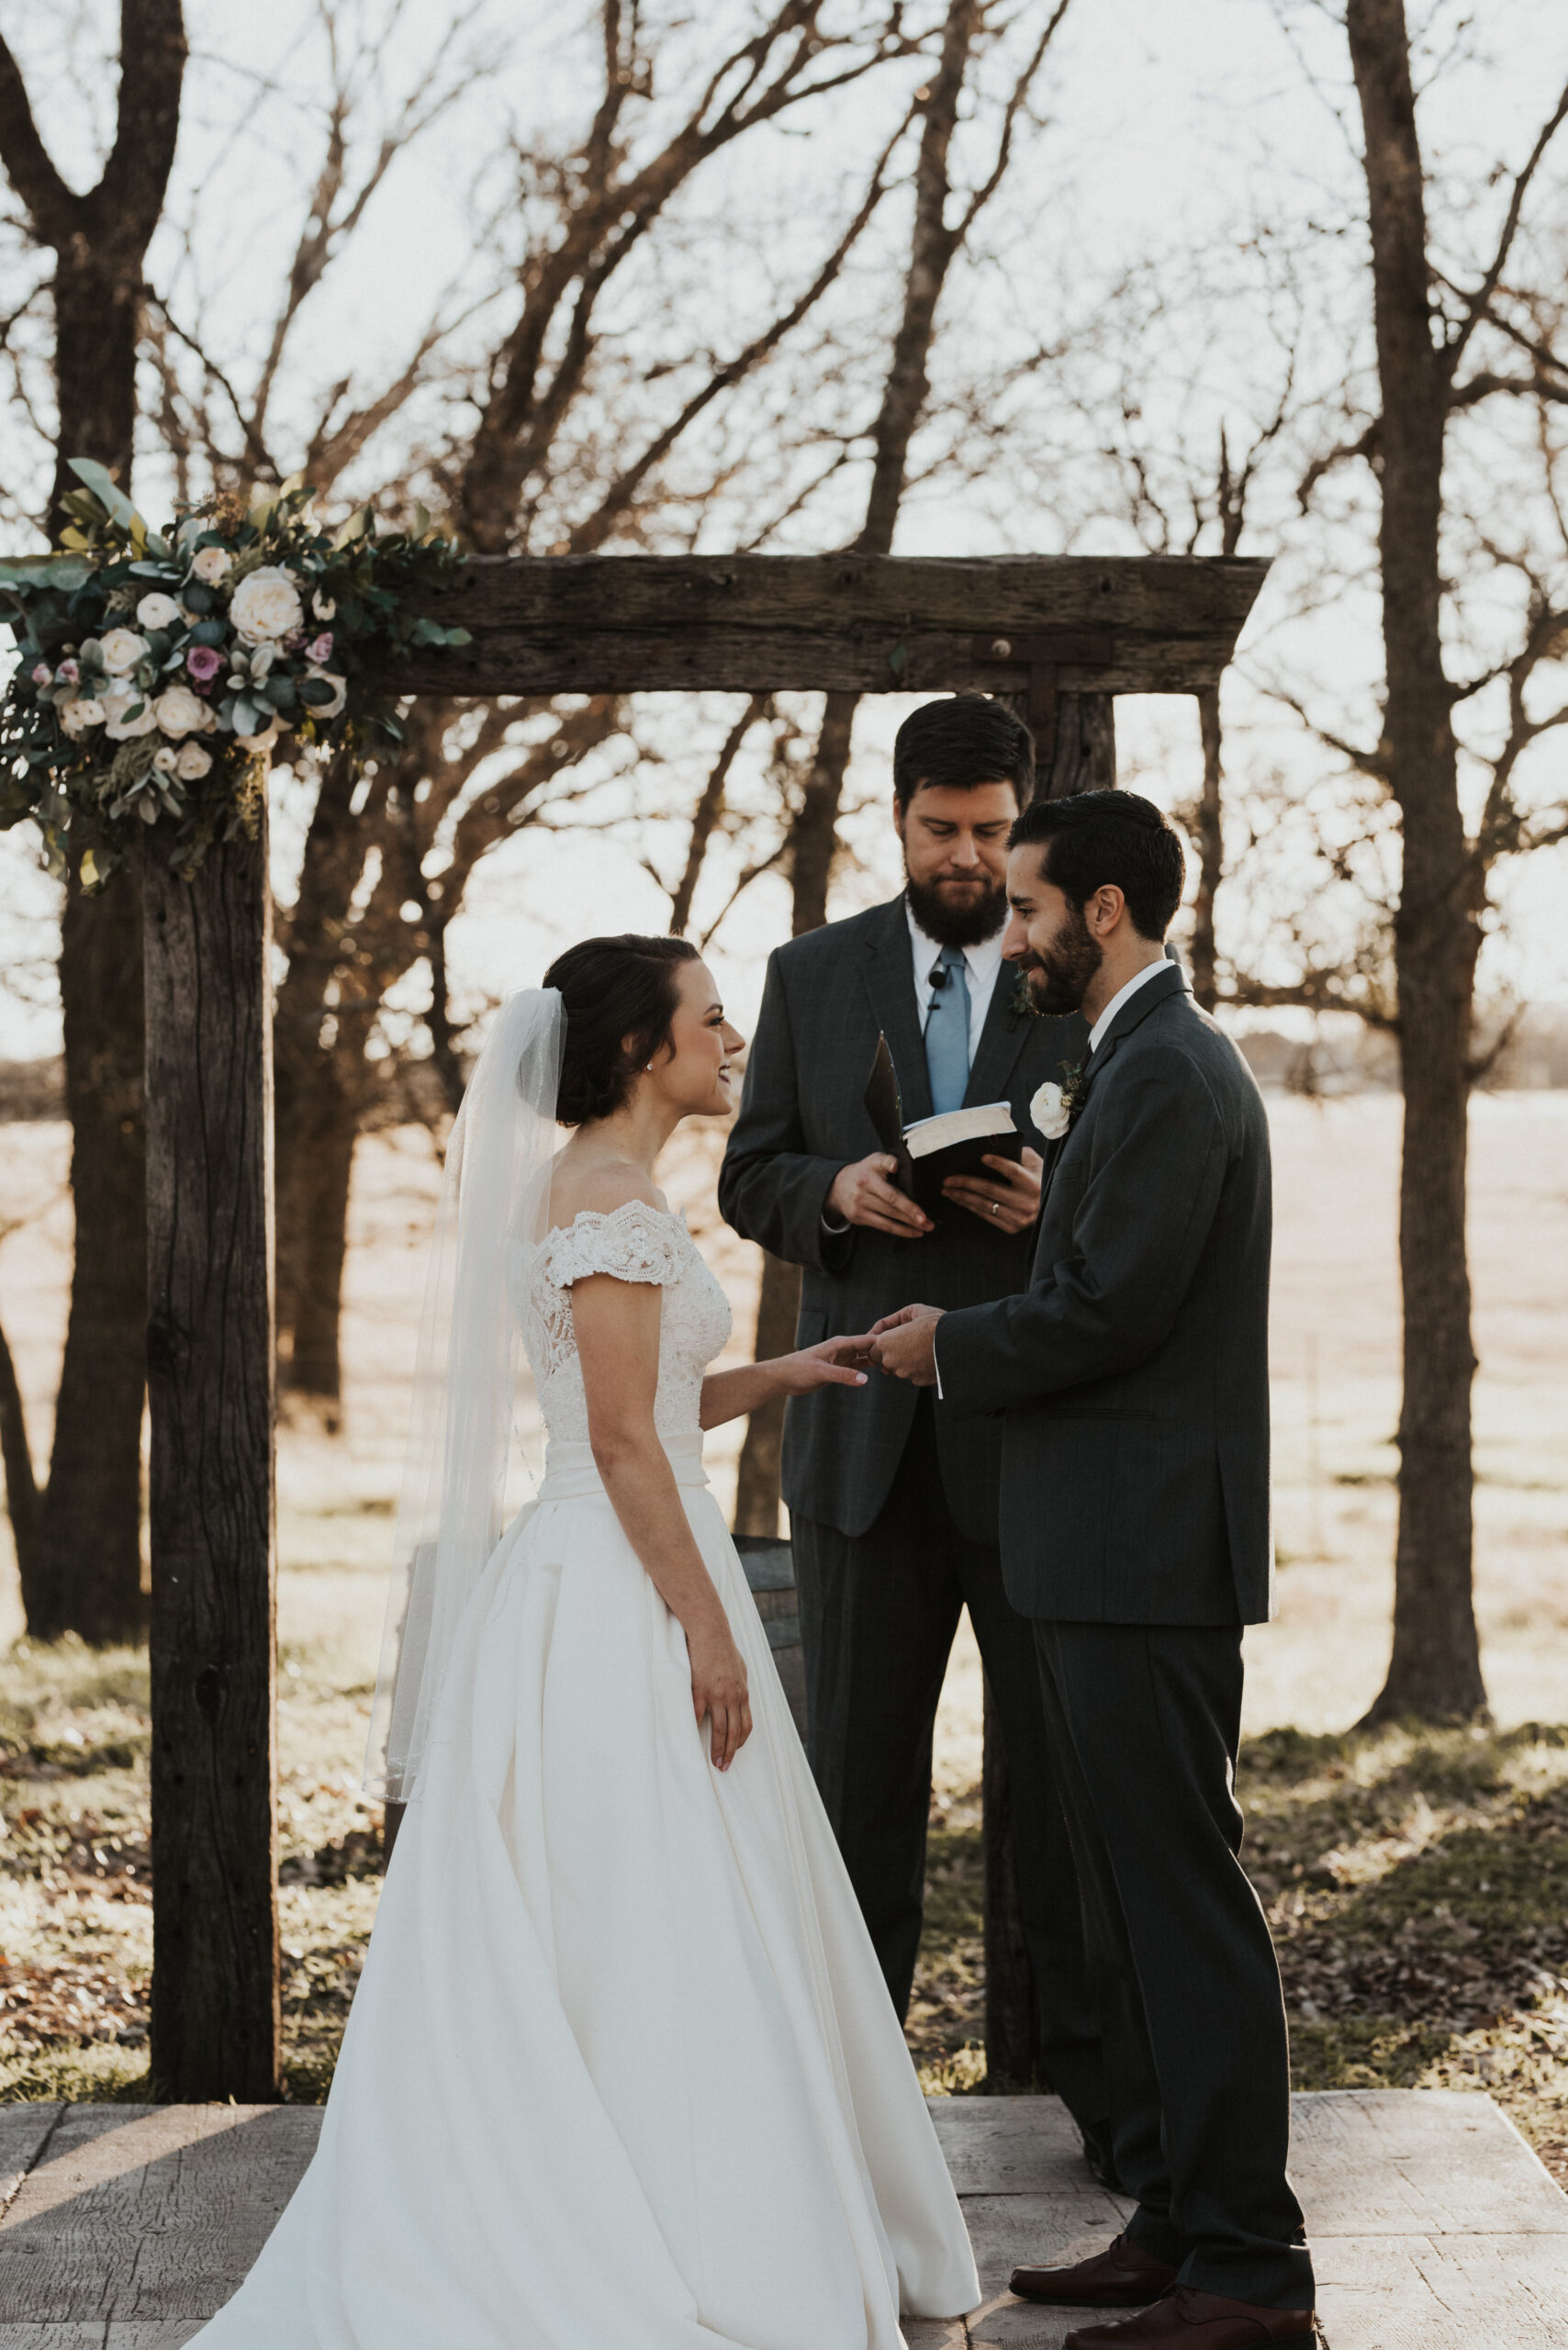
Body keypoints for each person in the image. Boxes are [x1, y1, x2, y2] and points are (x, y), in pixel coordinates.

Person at [190, 934, 980, 2350]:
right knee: (651, 1898)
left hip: (611, 1557)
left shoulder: (593, 1195)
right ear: (638, 1050)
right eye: (712, 1020)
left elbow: (646, 1409)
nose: (734, 1041)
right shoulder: (609, 1201)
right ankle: (666, 2216)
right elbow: (620, 1446)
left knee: (649, 1894)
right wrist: (707, 1632)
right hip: (626, 1585)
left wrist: (783, 1373)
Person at [871, 790, 1316, 2350]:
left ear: (1107, 912)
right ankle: (1181, 2222)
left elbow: (1107, 1317)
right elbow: (1114, 1269)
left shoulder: (1175, 1071)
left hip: (1140, 1555)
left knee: (1180, 1904)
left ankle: (1252, 2272)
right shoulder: (1130, 1064)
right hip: (1094, 1547)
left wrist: (945, 1346)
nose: (1020, 933)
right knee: (1128, 1906)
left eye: (1040, 911)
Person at [719, 693, 1108, 2164]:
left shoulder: (1067, 967)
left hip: (1030, 1444)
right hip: (861, 1450)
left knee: (1061, 1795)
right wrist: (834, 1191)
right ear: (894, 820)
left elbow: (1123, 1185)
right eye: (943, 830)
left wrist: (1046, 1199)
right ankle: (846, 2123)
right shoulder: (808, 975)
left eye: (993, 833)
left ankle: (1093, 2113)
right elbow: (750, 1173)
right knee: (855, 1797)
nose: (966, 856)